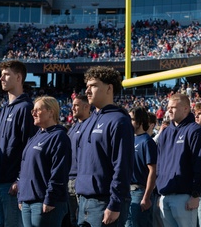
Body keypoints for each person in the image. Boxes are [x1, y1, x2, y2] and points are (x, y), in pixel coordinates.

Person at [76, 66, 134, 227]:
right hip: (84, 201)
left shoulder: (119, 120)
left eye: (93, 85)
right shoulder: (87, 122)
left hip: (105, 202)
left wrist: (115, 203)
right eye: (87, 86)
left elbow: (122, 165)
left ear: (109, 88)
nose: (87, 90)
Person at [0, 60, 37, 227]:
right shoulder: (4, 109)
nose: (1, 78)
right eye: (1, 74)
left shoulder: (25, 108)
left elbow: (29, 147)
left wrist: (19, 179)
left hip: (12, 184)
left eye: (6, 74)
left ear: (18, 77)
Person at [156, 93, 201, 227]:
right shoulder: (165, 133)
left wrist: (196, 194)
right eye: (168, 107)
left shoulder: (195, 131)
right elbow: (159, 165)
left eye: (173, 107)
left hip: (185, 197)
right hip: (165, 195)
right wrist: (159, 194)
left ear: (186, 108)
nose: (169, 110)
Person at [18, 96, 71, 227]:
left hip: (44, 203)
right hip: (27, 201)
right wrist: (21, 195)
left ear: (51, 112)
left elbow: (59, 171)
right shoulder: (35, 137)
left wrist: (50, 199)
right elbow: (24, 168)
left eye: (37, 110)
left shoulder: (59, 137)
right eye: (32, 110)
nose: (33, 113)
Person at [126, 106, 157, 227]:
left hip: (139, 192)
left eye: (132, 119)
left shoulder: (147, 142)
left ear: (139, 122)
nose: (129, 123)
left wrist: (146, 196)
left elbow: (153, 171)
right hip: (127, 191)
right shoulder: (129, 140)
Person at [66, 94, 90, 227]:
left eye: (76, 105)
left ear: (86, 106)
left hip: (81, 180)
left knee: (83, 220)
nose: (73, 108)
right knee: (72, 219)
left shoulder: (91, 125)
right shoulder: (73, 128)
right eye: (73, 105)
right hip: (69, 178)